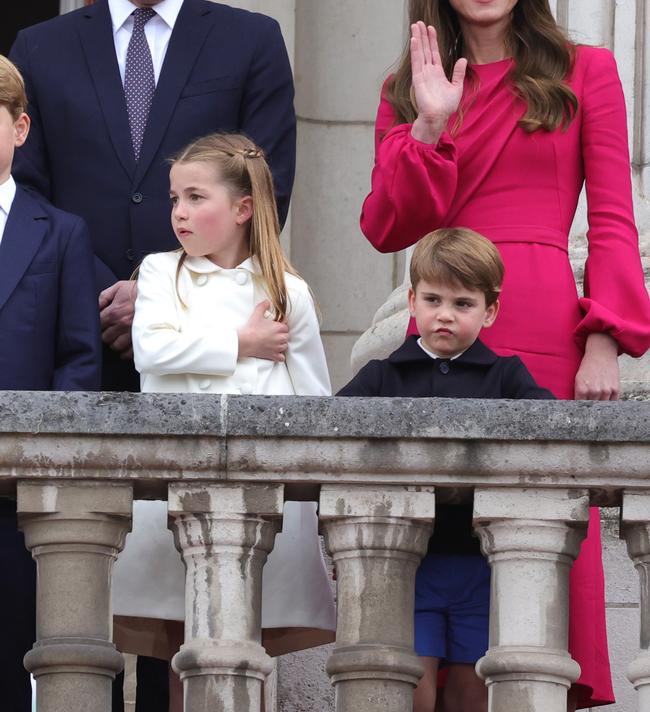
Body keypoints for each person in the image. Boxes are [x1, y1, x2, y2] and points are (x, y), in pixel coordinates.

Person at [360, 0, 650, 709]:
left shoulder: (584, 69)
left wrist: (606, 340)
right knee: (444, 535)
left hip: (547, 326)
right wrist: (428, 125)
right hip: (445, 322)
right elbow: (388, 226)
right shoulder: (407, 87)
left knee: (544, 532)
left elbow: (617, 220)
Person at [9, 0, 296, 396]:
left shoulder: (251, 43)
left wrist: (159, 292)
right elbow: (25, 192)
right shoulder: (41, 48)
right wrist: (95, 291)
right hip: (72, 340)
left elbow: (265, 189)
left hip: (209, 340)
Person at [111, 132, 335, 708]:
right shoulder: (161, 273)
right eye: (173, 199)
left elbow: (314, 399)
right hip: (174, 490)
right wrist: (242, 342)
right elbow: (152, 353)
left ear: (242, 208)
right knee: (183, 642)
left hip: (262, 496)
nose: (179, 213)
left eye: (194, 197)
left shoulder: (289, 291)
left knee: (245, 644)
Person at [339, 228, 554, 712]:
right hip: (407, 562)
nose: (445, 315)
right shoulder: (383, 375)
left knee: (471, 691)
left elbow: (551, 436)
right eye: (433, 299)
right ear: (411, 301)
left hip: (481, 561)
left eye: (463, 303)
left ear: (490, 310)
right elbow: (334, 440)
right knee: (414, 689)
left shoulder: (507, 376)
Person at [0, 55, 101, 712]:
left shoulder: (61, 235)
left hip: (18, 499)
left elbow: (77, 361)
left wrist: (44, 467)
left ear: (20, 127)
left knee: (17, 660)